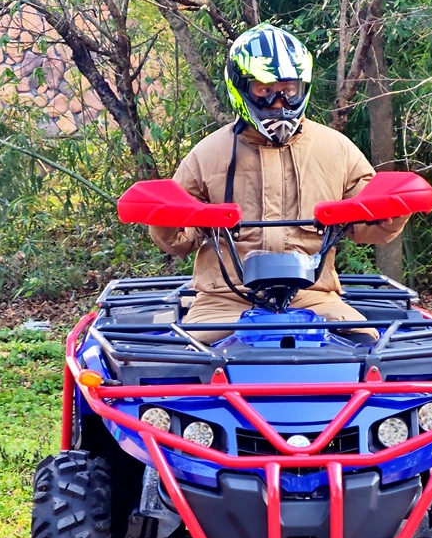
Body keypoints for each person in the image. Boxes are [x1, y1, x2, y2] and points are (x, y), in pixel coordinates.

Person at [148, 23, 408, 344]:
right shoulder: (207, 154)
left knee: (366, 348)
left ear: (303, 87)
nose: (278, 101)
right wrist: (163, 217)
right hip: (223, 301)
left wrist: (394, 210)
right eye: (265, 89)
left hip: (314, 297)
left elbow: (369, 227)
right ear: (241, 88)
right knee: (187, 361)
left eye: (288, 89)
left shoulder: (336, 149)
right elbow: (180, 241)